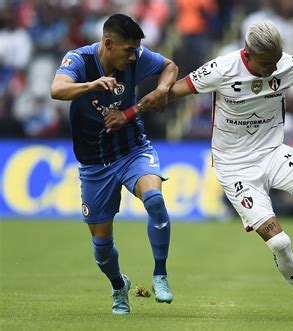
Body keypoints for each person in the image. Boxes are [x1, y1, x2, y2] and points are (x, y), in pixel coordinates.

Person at [106, 21, 293, 319]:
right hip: (235, 167)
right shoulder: (220, 70)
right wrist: (129, 113)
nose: (273, 69)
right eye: (266, 64)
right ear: (248, 55)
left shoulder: (285, 65)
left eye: (276, 62)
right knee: (280, 242)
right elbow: (169, 94)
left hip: (273, 153)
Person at [50, 14, 178, 314]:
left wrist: (161, 89)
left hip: (132, 150)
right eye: (128, 51)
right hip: (95, 163)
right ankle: (118, 286)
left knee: (155, 200)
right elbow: (57, 90)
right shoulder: (79, 60)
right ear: (108, 44)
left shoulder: (137, 58)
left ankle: (160, 274)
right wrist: (91, 85)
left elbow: (170, 67)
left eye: (136, 51)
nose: (134, 57)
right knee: (102, 248)